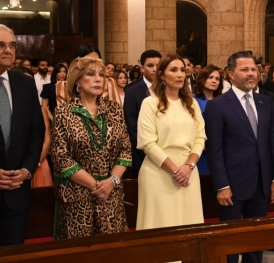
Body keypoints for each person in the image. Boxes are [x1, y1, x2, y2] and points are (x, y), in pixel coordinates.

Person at [205, 51, 274, 263]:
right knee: (229, 241)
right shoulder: (218, 105)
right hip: (232, 185)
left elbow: (273, 143)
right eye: (245, 69)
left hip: (261, 182)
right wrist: (221, 185)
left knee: (255, 239)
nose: (251, 73)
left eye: (254, 69)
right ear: (230, 74)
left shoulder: (266, 102)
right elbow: (215, 149)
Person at [50, 56, 132, 239]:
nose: (98, 79)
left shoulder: (115, 110)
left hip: (110, 194)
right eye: (90, 74)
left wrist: (111, 182)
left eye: (101, 75)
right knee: (80, 253)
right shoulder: (64, 112)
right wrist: (96, 186)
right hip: (76, 197)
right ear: (78, 80)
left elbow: (125, 150)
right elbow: (60, 157)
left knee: (110, 251)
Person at [0, 24, 44, 248]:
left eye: (12, 46)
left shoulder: (25, 84)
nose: (8, 50)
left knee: (11, 255)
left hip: (16, 191)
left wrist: (27, 170)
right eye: (0, 45)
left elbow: (37, 132)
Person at [136, 54, 206, 231]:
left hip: (188, 171)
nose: (180, 74)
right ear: (161, 75)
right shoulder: (150, 103)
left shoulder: (191, 103)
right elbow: (148, 143)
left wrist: (188, 166)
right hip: (158, 171)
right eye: (173, 70)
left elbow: (200, 137)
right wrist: (176, 170)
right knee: (161, 224)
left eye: (182, 70)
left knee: (188, 224)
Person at [124, 49, 162, 178]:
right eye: (150, 65)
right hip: (142, 152)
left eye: (158, 65)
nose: (155, 69)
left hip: (166, 150)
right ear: (142, 68)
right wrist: (150, 151)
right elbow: (132, 125)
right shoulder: (132, 90)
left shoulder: (168, 88)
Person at [193, 64, 223, 174]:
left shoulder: (222, 101)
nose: (214, 81)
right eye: (210, 77)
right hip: (200, 150)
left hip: (219, 150)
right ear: (202, 78)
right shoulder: (193, 101)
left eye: (217, 79)